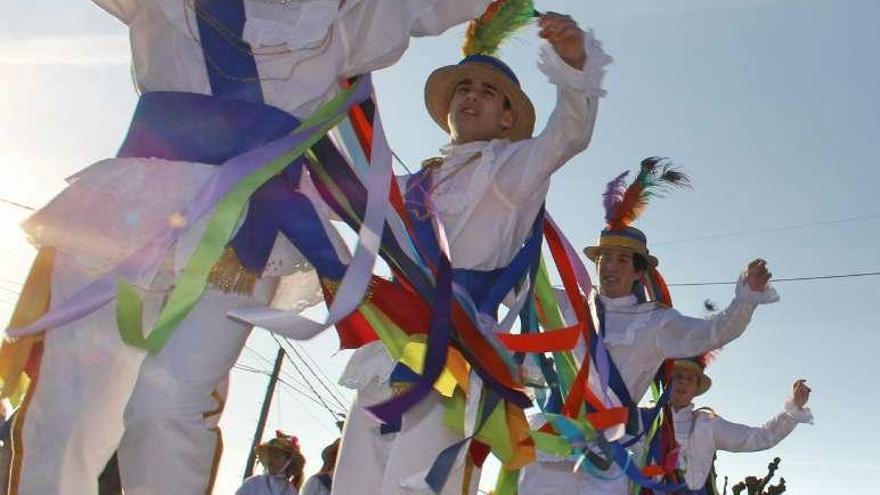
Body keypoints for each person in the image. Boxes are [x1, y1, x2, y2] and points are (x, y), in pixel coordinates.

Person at [1, 1, 495, 494]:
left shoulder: (338, 21)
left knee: (169, 405)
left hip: (246, 230)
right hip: (124, 208)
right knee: (69, 406)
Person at [332, 10, 612, 495]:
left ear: (508, 118)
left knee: (417, 485)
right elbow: (348, 199)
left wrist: (575, 65)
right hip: (390, 341)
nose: (471, 96)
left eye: (487, 92)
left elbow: (569, 135)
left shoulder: (514, 169)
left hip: (458, 351)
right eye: (463, 90)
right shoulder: (412, 185)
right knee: (355, 481)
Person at [518, 162, 781, 495]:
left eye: (622, 260)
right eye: (604, 259)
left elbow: (715, 332)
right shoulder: (568, 305)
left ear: (639, 273)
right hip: (551, 446)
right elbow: (512, 289)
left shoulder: (656, 324)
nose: (610, 267)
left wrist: (746, 300)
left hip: (607, 456)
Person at [654, 357, 813, 494]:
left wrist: (793, 409)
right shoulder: (642, 420)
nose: (683, 382)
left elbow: (758, 437)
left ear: (696, 388)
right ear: (667, 381)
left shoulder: (707, 424)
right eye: (678, 376)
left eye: (690, 379)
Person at [237, 431, 307, 495]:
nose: (271, 460)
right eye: (270, 456)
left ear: (288, 460)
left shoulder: (291, 492)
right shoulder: (253, 483)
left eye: (277, 456)